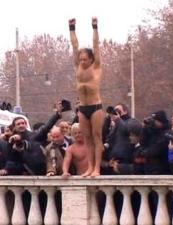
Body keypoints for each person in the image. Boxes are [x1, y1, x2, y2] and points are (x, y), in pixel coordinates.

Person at [69, 17, 104, 177]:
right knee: (87, 138)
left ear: (91, 59)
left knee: (97, 137)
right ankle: (89, 168)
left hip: (95, 106)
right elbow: (74, 46)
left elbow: (96, 45)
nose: (82, 61)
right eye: (80, 59)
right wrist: (72, 28)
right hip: (82, 108)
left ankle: (97, 168)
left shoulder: (95, 67)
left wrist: (95, 27)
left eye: (85, 59)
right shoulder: (78, 68)